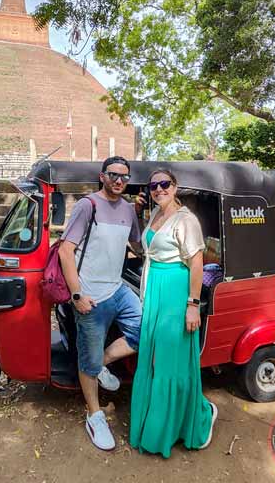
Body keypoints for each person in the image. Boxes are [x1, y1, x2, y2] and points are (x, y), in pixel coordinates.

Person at [130, 168, 216, 458]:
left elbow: (196, 263)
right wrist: (134, 213)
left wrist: (193, 305)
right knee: (153, 359)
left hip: (176, 292)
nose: (158, 189)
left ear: (175, 186)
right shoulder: (154, 215)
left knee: (170, 361)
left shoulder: (186, 219)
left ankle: (191, 419)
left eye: (164, 184)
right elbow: (144, 249)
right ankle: (155, 423)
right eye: (153, 185)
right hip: (154, 292)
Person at [59, 156, 144, 451]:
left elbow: (137, 244)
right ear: (102, 176)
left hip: (117, 289)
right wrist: (77, 294)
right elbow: (65, 252)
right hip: (90, 296)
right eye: (113, 175)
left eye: (124, 176)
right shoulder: (88, 205)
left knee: (145, 329)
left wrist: (146, 214)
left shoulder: (128, 210)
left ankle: (104, 364)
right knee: (87, 359)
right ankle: (94, 414)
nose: (119, 180)